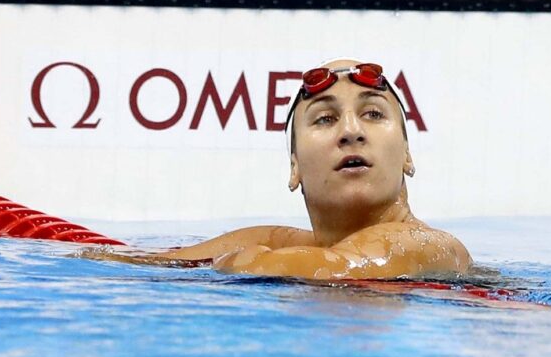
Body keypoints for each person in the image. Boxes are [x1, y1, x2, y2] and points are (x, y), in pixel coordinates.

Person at [153, 58, 472, 279]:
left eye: (373, 114)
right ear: (295, 168)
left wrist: (242, 260)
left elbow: (333, 269)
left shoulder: (426, 245)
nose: (351, 131)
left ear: (407, 154)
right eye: (325, 119)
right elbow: (152, 263)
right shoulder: (292, 244)